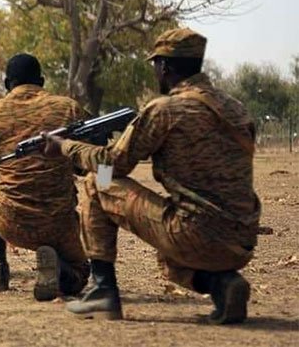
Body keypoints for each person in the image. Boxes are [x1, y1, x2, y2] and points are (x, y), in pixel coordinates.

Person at [41, 28, 260, 324]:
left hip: (193, 234)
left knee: (99, 180)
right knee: (167, 259)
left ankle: (102, 289)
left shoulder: (164, 110)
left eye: (155, 65)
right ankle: (222, 284)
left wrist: (65, 146)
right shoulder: (236, 109)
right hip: (242, 241)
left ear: (165, 66)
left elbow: (112, 163)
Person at [0, 53, 90, 301]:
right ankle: (62, 269)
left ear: (6, 83)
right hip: (61, 223)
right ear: (41, 81)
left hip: (12, 222)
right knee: (80, 273)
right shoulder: (69, 108)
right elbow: (85, 164)